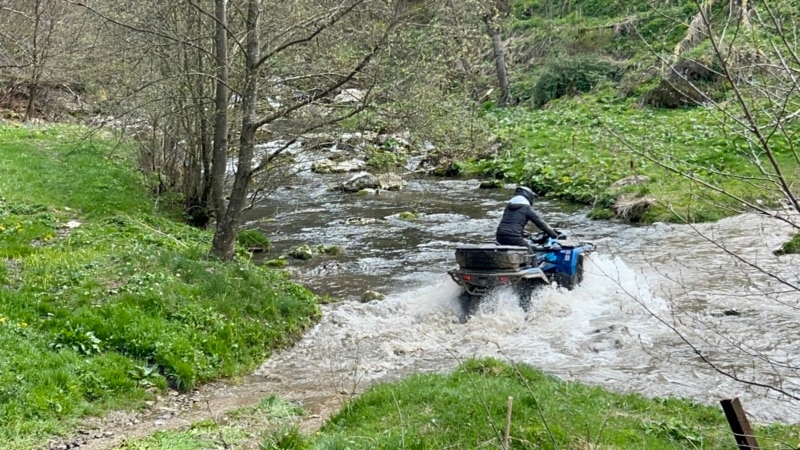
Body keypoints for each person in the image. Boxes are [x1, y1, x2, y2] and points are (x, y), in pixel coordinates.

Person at [495, 186, 560, 251]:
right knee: (529, 253)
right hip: (514, 237)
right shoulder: (526, 208)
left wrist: (524, 233)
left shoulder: (508, 207)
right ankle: (532, 261)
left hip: (500, 236)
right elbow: (541, 223)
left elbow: (510, 224)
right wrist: (554, 235)